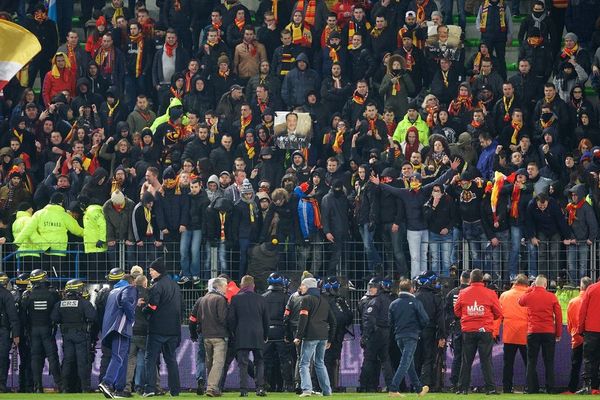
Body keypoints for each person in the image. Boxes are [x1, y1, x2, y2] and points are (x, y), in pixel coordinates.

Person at [454, 269, 502, 395]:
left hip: (468, 330)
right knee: (486, 360)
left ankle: (462, 388)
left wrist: (468, 316)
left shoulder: (463, 292)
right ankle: (490, 388)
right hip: (485, 330)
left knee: (466, 361)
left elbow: (457, 311)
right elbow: (498, 313)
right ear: (482, 280)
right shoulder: (491, 293)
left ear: (470, 279)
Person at [142, 258, 182, 397]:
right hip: (173, 330)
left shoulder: (157, 287)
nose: (150, 273)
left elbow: (153, 307)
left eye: (152, 270)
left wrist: (143, 308)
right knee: (171, 360)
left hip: (157, 329)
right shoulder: (175, 286)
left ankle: (150, 389)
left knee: (150, 359)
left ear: (158, 271)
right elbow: (180, 308)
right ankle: (175, 390)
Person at [518, 274, 562, 394]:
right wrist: (558, 333)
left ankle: (530, 388)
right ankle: (550, 388)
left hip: (533, 332)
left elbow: (520, 301)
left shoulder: (529, 295)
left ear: (535, 284)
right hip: (548, 332)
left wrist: (530, 289)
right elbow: (558, 316)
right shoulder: (552, 297)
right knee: (549, 361)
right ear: (545, 284)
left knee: (531, 361)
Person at [51, 279, 96, 394]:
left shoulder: (60, 304)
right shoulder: (84, 303)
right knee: (82, 362)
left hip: (66, 336)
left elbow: (54, 318)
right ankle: (84, 388)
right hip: (81, 335)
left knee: (67, 361)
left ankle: (65, 387)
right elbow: (92, 318)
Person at [21, 269, 63, 393]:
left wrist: (27, 329)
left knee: (35, 358)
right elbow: (57, 312)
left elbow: (23, 316)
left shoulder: (27, 295)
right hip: (47, 329)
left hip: (33, 330)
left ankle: (37, 386)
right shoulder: (53, 293)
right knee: (52, 357)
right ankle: (60, 385)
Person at [388, 278, 430, 397]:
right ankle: (393, 388)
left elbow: (389, 322)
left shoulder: (393, 304)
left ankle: (419, 389)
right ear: (411, 289)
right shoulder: (415, 302)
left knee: (409, 362)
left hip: (399, 337)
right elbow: (425, 320)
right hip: (411, 336)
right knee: (405, 362)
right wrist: (418, 330)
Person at [294, 277, 336, 397]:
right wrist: (330, 339)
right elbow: (333, 322)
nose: (300, 287)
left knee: (304, 363)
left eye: (302, 285)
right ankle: (327, 391)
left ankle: (307, 389)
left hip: (311, 336)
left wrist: (298, 336)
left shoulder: (306, 299)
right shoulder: (324, 300)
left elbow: (303, 319)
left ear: (308, 287)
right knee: (320, 363)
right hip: (323, 336)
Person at [228, 275, 269, 397]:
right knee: (259, 361)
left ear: (241, 285)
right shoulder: (261, 299)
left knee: (243, 363)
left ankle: (244, 390)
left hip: (241, 335)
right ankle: (260, 388)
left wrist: (233, 332)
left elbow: (231, 319)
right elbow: (266, 320)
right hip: (258, 334)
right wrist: (265, 334)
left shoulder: (235, 299)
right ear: (253, 286)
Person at [98, 274, 136, 398]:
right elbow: (125, 301)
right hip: (121, 327)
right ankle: (107, 382)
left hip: (109, 328)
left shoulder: (112, 291)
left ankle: (120, 389)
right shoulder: (129, 289)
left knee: (123, 357)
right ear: (132, 282)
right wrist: (131, 317)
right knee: (119, 356)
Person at [359, 277, 394, 392]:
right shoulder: (389, 300)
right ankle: (391, 385)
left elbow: (369, 319)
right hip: (386, 333)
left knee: (369, 359)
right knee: (385, 360)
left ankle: (363, 385)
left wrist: (365, 336)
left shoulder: (374, 301)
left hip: (375, 333)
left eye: (373, 286)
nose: (371, 289)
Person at [197, 277, 229, 397]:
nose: (226, 288)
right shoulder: (220, 299)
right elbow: (223, 318)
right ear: (219, 286)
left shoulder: (204, 299)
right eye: (225, 286)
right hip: (219, 335)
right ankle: (211, 388)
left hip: (206, 335)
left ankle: (211, 387)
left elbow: (199, 318)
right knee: (218, 362)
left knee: (209, 362)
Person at [263, 273, 294, 392]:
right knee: (285, 360)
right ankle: (288, 385)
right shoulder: (287, 298)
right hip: (282, 332)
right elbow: (288, 318)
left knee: (266, 360)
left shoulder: (263, 297)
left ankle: (264, 384)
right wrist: (287, 333)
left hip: (267, 333)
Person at [498, 274, 529, 393]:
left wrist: (495, 332)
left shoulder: (504, 295)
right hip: (525, 333)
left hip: (509, 334)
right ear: (526, 284)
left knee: (508, 364)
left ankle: (506, 388)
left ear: (514, 283)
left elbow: (498, 315)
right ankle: (531, 387)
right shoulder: (529, 295)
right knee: (529, 364)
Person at [567, 276, 593, 393]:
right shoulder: (594, 301)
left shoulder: (573, 302)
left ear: (581, 287)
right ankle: (593, 387)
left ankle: (572, 389)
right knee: (593, 364)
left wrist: (573, 331)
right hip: (592, 336)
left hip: (577, 336)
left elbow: (569, 322)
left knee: (575, 365)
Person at [0, 273, 20, 393]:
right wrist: (16, 335)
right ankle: (1, 386)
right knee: (2, 359)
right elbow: (13, 316)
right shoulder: (6, 295)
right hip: (3, 331)